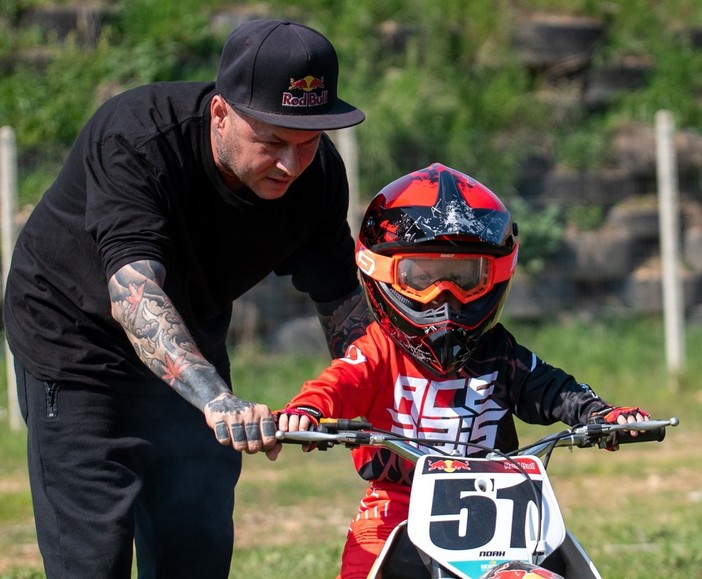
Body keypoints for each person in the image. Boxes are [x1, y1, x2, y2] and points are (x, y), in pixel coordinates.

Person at [3, 18, 371, 579]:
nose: (291, 165)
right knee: (92, 559)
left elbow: (342, 301)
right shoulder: (137, 137)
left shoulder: (315, 178)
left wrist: (379, 402)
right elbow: (135, 294)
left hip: (192, 336)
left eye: (307, 142)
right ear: (221, 114)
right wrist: (217, 401)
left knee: (194, 545)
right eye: (271, 142)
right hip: (74, 344)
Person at [277, 163, 651, 579]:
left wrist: (600, 414)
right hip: (399, 499)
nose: (444, 296)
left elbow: (552, 388)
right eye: (421, 276)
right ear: (382, 273)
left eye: (463, 276)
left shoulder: (499, 353)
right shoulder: (377, 351)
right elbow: (338, 383)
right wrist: (305, 410)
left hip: (504, 499)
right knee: (366, 570)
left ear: (495, 276)